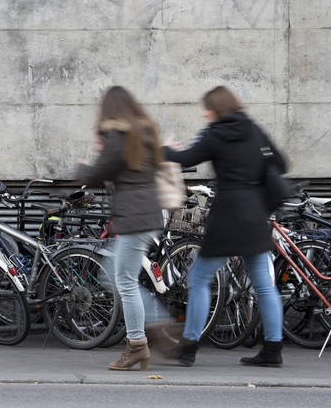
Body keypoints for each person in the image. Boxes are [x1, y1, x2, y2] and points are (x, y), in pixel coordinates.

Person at [163, 85, 287, 368]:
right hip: (255, 213)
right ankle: (273, 349)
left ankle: (189, 347)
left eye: (206, 109)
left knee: (199, 279)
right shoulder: (254, 130)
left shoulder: (216, 134)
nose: (204, 114)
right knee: (264, 285)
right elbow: (281, 163)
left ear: (215, 110)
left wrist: (164, 150)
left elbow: (187, 159)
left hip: (228, 215)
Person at [76, 86, 168, 371]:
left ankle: (138, 344)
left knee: (124, 281)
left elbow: (97, 175)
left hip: (134, 217)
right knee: (118, 275)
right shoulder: (143, 132)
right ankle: (155, 327)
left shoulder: (118, 137)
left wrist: (82, 168)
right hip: (145, 214)